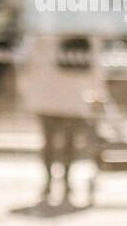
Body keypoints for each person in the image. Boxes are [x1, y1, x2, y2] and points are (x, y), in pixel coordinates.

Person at [16, 33, 106, 205]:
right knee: (69, 143)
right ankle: (65, 181)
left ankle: (50, 182)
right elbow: (95, 67)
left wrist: (26, 91)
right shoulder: (83, 33)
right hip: (72, 97)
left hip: (46, 96)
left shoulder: (42, 35)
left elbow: (26, 64)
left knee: (49, 141)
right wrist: (97, 94)